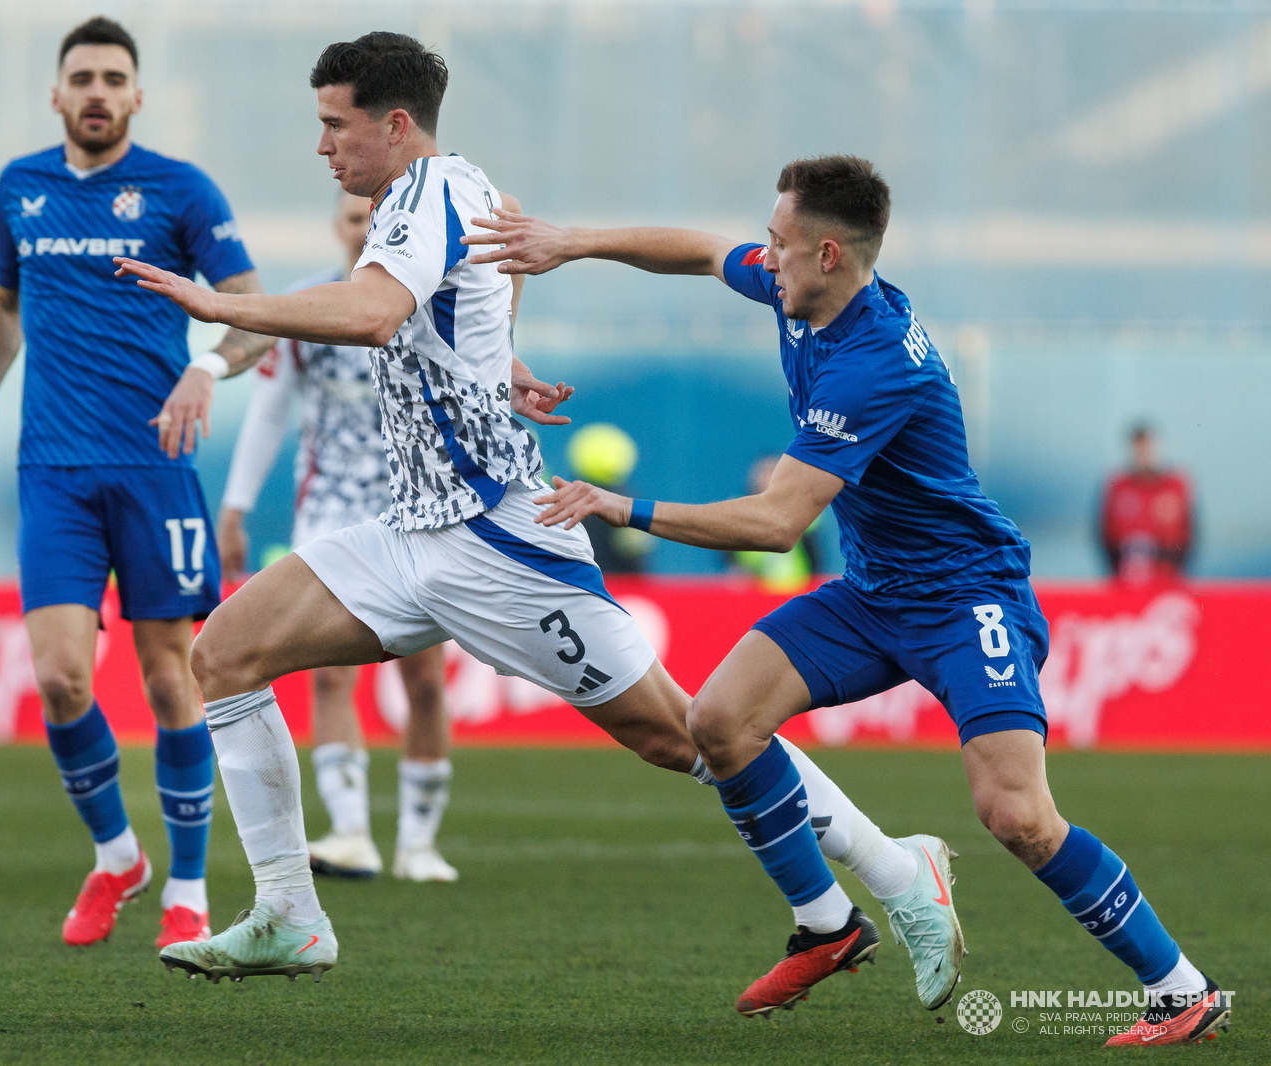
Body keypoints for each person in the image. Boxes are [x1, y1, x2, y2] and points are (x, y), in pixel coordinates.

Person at [114, 35, 963, 1012]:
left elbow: (374, 313)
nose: (322, 148)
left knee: (687, 735)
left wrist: (216, 307)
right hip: (410, 534)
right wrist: (494, 362)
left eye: (332, 125)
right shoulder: (457, 190)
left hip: (503, 541)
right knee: (224, 653)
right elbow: (489, 279)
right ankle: (289, 912)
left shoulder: (428, 197)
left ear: (394, 125)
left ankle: (900, 873)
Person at [468, 155, 1229, 1045]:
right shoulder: (806, 289)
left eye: (779, 244)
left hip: (965, 598)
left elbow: (775, 522)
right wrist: (572, 242)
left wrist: (620, 505)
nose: (764, 255)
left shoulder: (872, 365)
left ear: (828, 253)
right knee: (719, 720)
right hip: (874, 593)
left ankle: (1182, 988)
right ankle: (829, 926)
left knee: (1016, 817)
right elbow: (701, 252)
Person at [0, 16, 275, 950]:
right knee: (59, 677)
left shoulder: (181, 191)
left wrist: (206, 367)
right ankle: (115, 858)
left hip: (154, 469)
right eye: (82, 78)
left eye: (114, 78)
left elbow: (254, 314)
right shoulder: (21, 186)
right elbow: (7, 303)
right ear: (56, 95)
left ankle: (186, 883)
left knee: (172, 683)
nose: (97, 92)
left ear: (138, 97)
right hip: (51, 469)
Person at [218, 191, 459, 883]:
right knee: (326, 671)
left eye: (374, 219)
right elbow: (269, 412)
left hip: (417, 507)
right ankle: (351, 831)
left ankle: (419, 841)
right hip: (328, 509)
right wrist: (235, 507)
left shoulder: (431, 295)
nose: (363, 230)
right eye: (353, 219)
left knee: (424, 678)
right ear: (338, 226)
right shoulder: (307, 304)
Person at [1099, 423, 1194, 586]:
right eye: (1139, 449)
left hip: (1167, 579)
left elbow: (1189, 533)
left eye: (1148, 448)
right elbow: (1105, 533)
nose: (1144, 454)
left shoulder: (1176, 485)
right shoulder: (1118, 486)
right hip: (1125, 580)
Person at [566, 423, 654, 574]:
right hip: (617, 592)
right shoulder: (630, 503)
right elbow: (636, 557)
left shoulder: (563, 501)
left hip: (575, 585)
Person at [732, 455, 820, 593]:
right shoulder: (739, 509)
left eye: (772, 472)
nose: (767, 478)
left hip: (794, 589)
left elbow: (814, 554)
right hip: (753, 592)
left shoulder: (802, 509)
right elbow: (729, 556)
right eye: (764, 473)